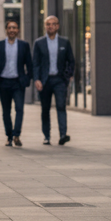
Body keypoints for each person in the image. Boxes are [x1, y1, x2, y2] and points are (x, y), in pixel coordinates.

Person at [0, 20, 33, 147]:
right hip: (3, 82)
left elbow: (29, 63)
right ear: (6, 30)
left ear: (18, 30)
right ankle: (9, 136)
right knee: (6, 111)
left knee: (19, 109)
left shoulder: (24, 45)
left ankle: (16, 135)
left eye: (15, 28)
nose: (12, 30)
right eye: (10, 27)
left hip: (18, 82)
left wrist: (28, 78)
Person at [34, 14, 75, 146]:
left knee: (61, 106)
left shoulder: (64, 42)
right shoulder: (39, 43)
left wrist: (67, 76)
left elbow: (71, 61)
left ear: (57, 26)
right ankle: (46, 136)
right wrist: (36, 79)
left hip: (59, 80)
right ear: (45, 26)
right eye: (48, 24)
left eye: (53, 24)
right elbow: (35, 64)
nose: (50, 26)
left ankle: (63, 135)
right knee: (45, 109)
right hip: (44, 81)